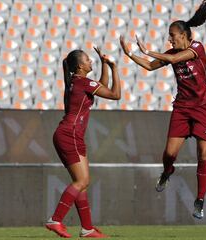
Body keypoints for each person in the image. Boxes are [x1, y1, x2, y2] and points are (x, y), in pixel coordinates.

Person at [120, 0, 206, 219]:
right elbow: (149, 66)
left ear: (184, 35)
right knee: (169, 154)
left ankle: (199, 200)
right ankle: (167, 171)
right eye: (169, 35)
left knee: (203, 152)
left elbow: (173, 58)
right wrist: (131, 55)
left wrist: (148, 50)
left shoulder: (197, 47)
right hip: (182, 108)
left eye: (172, 35)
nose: (170, 39)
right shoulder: (171, 52)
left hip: (204, 108)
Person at [45, 47, 120, 238]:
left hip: (68, 134)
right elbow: (114, 94)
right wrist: (114, 68)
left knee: (82, 183)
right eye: (88, 60)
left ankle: (87, 228)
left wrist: (104, 64)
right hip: (70, 134)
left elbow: (102, 86)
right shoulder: (83, 82)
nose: (90, 62)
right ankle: (55, 220)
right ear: (80, 66)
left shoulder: (76, 82)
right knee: (82, 181)